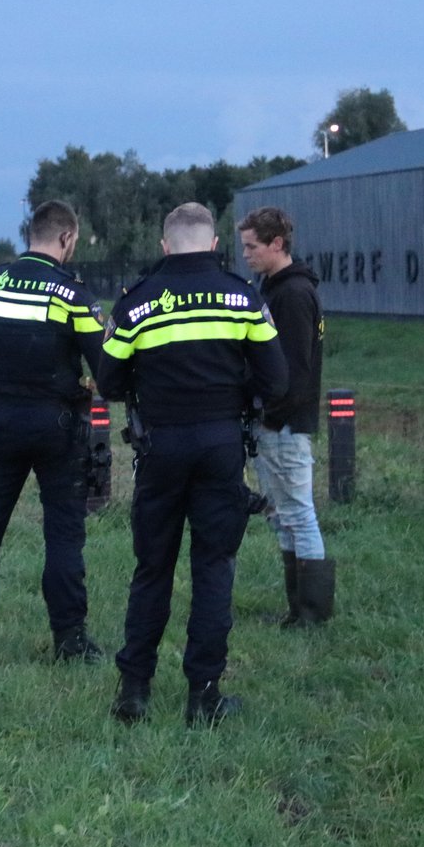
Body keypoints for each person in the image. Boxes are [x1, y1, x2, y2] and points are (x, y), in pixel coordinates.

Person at [98, 202, 288, 726]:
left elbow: (109, 382)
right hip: (221, 445)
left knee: (152, 568)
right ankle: (203, 696)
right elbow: (276, 380)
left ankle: (133, 691)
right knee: (213, 570)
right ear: (211, 245)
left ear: (164, 246)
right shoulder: (244, 298)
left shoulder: (136, 303)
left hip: (159, 449)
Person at [0, 200, 107, 662]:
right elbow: (106, 371)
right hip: (56, 425)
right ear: (67, 238)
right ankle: (70, 640)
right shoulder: (72, 294)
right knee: (63, 532)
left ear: (29, 234)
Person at [239, 206, 334, 627]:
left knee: (297, 513)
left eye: (252, 246)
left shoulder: (291, 295)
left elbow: (293, 369)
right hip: (278, 422)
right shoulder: (278, 288)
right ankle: (299, 610)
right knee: (283, 515)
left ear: (277, 244)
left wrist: (270, 416)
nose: (246, 255)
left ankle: (311, 614)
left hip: (283, 424)